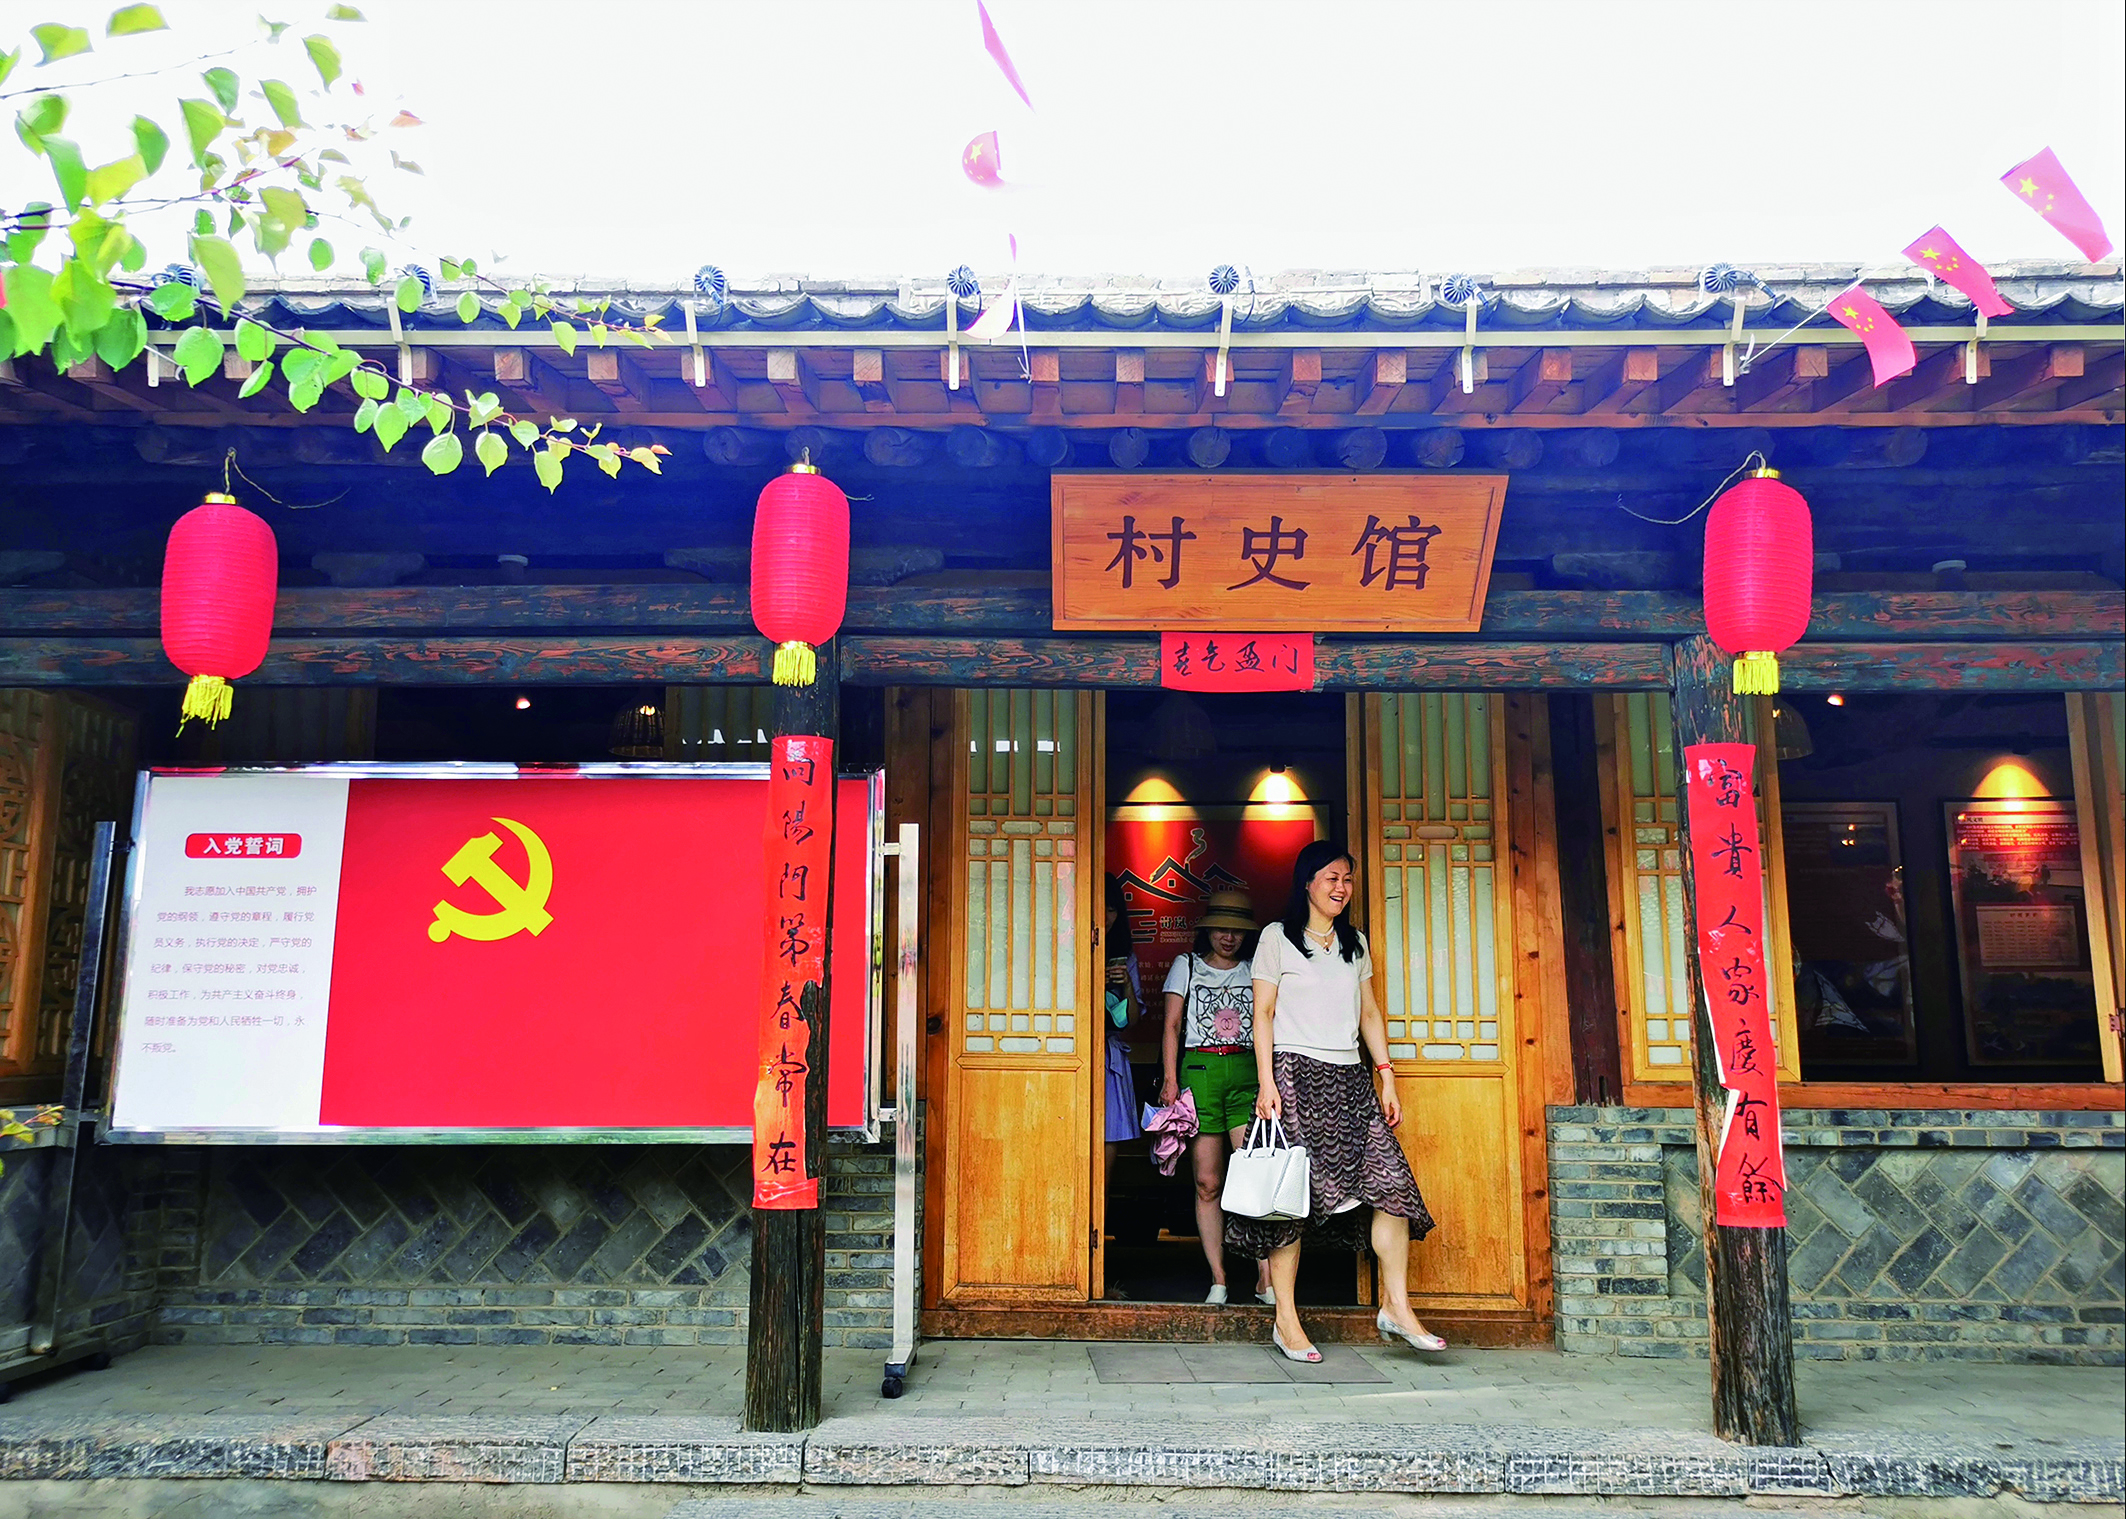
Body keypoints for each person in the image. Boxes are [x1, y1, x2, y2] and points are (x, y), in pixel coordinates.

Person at [1230, 839, 1442, 1362]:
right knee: (1290, 1202)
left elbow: (1368, 1012)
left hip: (1350, 1080)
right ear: (1307, 883)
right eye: (1331, 877)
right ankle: (1286, 1320)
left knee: (1392, 1186)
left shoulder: (1355, 943)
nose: (1341, 887)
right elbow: (1262, 1013)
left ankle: (1396, 1306)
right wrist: (1266, 1082)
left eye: (1347, 879)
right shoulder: (1277, 938)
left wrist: (1386, 1076)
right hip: (1294, 1076)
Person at [1157, 889, 1274, 1308]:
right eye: (1222, 929)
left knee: (1255, 1175)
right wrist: (1170, 1080)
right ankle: (1219, 1278)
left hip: (1246, 1072)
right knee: (1208, 1182)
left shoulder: (1256, 968)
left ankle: (1265, 1277)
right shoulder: (1186, 965)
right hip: (1201, 1072)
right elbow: (1171, 1025)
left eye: (1237, 931)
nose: (1229, 937)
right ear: (1207, 930)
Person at [1100, 875, 1143, 1298]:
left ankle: (1098, 1274)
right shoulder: (1066, 944)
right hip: (1070, 1062)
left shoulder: (1124, 956)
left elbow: (1130, 1020)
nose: (1106, 915)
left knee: (1103, 1178)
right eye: (1101, 905)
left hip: (1109, 1063)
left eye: (1113, 908)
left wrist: (1123, 982)